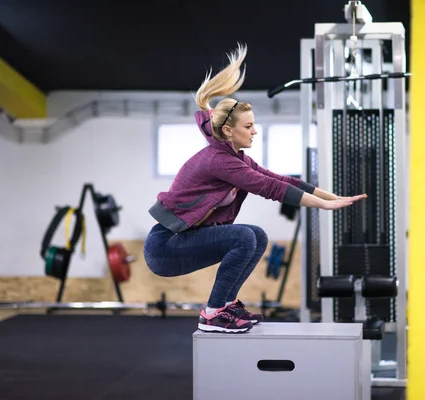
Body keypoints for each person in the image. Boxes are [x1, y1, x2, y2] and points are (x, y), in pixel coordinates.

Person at [143, 44, 367, 334]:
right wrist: (324, 206)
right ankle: (213, 314)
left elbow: (281, 179)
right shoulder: (218, 161)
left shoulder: (236, 158)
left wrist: (331, 196)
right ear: (228, 131)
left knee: (256, 236)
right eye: (248, 126)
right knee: (243, 237)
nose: (254, 131)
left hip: (184, 238)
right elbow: (269, 187)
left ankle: (226, 304)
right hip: (166, 246)